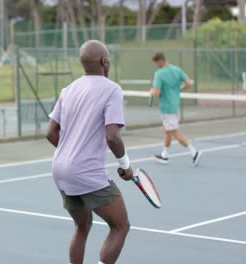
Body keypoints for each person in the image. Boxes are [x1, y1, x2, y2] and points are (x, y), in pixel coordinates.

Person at [46, 40, 132, 264]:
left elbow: (51, 133)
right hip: (85, 172)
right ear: (104, 61)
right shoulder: (112, 89)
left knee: (82, 226)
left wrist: (72, 154)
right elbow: (112, 136)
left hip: (60, 170)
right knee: (120, 226)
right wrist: (125, 166)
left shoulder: (69, 89)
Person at [150, 51, 201, 166]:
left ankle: (194, 152)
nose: (157, 66)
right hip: (174, 106)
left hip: (166, 108)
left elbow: (156, 92)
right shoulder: (177, 70)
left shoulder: (159, 73)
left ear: (161, 61)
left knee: (174, 132)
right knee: (168, 131)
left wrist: (152, 91)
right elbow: (188, 83)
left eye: (156, 63)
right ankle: (164, 155)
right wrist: (178, 89)